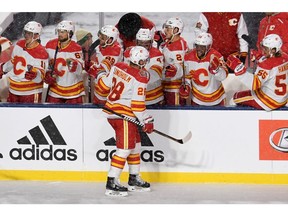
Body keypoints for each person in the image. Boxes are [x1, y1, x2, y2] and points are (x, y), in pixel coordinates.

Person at [95, 46, 153, 197]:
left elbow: (103, 86)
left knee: (136, 146)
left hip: (113, 112)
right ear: (140, 61)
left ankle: (133, 178)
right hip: (124, 116)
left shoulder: (117, 66)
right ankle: (112, 182)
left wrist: (99, 74)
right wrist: (147, 120)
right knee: (125, 149)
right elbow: (137, 105)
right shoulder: (141, 76)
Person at [226, 34, 288, 111]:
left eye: (266, 49)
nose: (263, 50)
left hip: (269, 101)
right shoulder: (285, 57)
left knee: (235, 97)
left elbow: (254, 84)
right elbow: (273, 64)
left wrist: (238, 69)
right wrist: (259, 57)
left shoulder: (267, 64)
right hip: (282, 98)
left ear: (274, 50)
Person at [0, 21, 48, 103]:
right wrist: (2, 68)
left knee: (31, 116)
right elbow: (13, 61)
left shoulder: (41, 52)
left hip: (31, 92)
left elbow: (41, 76)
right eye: (25, 33)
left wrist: (35, 74)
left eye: (29, 34)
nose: (26, 36)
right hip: (13, 90)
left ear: (36, 35)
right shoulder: (19, 44)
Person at [181, 32, 228, 106]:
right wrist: (186, 86)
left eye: (202, 47)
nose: (199, 49)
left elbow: (223, 77)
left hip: (217, 99)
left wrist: (217, 70)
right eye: (197, 46)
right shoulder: (188, 57)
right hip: (197, 99)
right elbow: (187, 76)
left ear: (208, 47)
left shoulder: (216, 56)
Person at [44, 20, 85, 104]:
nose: (60, 34)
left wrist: (75, 65)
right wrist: (47, 73)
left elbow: (80, 70)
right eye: (59, 31)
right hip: (55, 90)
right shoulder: (50, 45)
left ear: (70, 33)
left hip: (74, 91)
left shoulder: (76, 48)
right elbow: (46, 64)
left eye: (63, 32)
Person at [123, 28, 164, 106]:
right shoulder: (128, 52)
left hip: (153, 98)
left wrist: (137, 75)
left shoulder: (156, 54)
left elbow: (156, 75)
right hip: (135, 97)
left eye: (146, 44)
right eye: (141, 43)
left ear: (151, 42)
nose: (143, 46)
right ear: (136, 42)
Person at [87, 25, 123, 105]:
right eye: (99, 35)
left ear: (110, 40)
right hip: (100, 86)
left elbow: (101, 69)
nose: (99, 38)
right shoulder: (103, 46)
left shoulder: (114, 51)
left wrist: (92, 68)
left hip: (108, 90)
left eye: (103, 37)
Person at [161, 17, 188, 106]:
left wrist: (174, 70)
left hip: (174, 89)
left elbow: (182, 69)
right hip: (166, 86)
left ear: (176, 30)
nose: (165, 31)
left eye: (168, 28)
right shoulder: (169, 42)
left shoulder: (179, 47)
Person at [75, 28, 95, 103]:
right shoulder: (76, 50)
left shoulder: (92, 51)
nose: (92, 41)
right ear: (85, 40)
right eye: (90, 38)